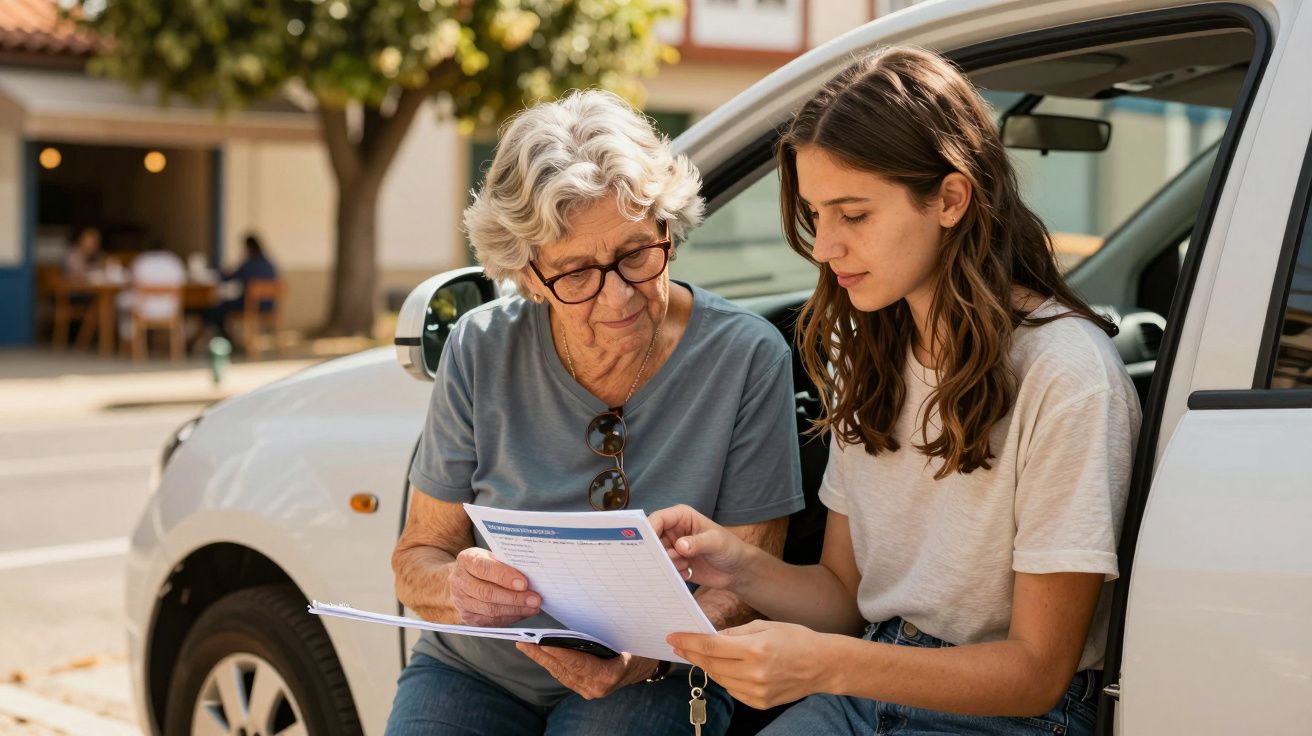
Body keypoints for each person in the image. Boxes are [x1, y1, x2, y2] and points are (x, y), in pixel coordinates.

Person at [650, 46, 1142, 736]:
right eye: (817, 215)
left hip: (1010, 717)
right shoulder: (869, 352)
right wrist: (739, 567)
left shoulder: (1066, 374)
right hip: (868, 684)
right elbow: (846, 599)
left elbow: (1036, 673)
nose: (824, 248)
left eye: (853, 215)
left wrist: (828, 665)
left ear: (950, 199)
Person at [384, 90, 805, 736]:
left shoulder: (746, 358)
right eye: (576, 272)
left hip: (661, 669)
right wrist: (459, 590)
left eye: (636, 255)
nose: (617, 298)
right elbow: (419, 557)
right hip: (477, 671)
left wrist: (647, 656)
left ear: (668, 227)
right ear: (528, 276)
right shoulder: (480, 346)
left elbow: (751, 583)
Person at [205, 233, 278, 341]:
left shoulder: (249, 263)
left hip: (250, 305)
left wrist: (221, 272)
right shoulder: (269, 263)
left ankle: (228, 340)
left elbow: (230, 277)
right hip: (269, 305)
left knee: (216, 309)